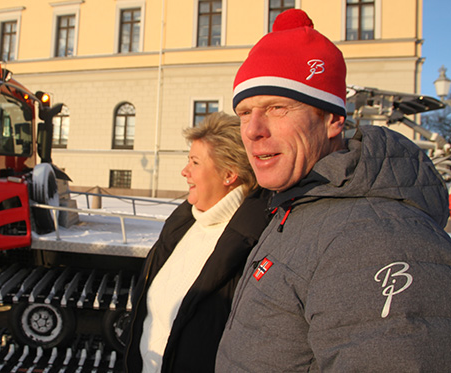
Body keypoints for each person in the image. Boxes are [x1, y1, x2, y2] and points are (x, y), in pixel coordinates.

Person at [216, 9, 451, 372]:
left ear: (333, 120)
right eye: (245, 112)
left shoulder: (375, 237)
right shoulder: (298, 207)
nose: (252, 130)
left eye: (277, 107)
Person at [123, 112, 272, 372]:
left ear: (229, 174)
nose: (184, 171)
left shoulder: (256, 244)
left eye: (195, 162)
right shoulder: (182, 225)